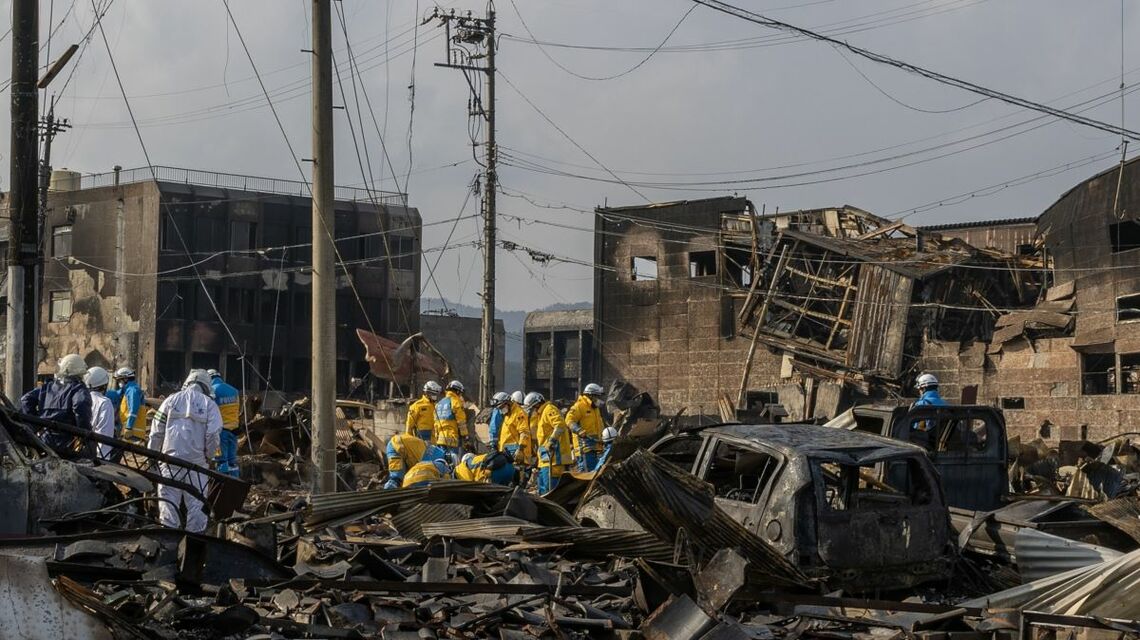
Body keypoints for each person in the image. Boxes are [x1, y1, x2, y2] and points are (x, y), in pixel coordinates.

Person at [147, 369, 222, 533]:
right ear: (206, 387)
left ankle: (168, 542)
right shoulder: (210, 405)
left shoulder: (170, 401)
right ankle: (193, 545)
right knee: (197, 507)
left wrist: (152, 454)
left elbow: (156, 432)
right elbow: (213, 436)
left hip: (169, 462)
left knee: (167, 505)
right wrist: (208, 457)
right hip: (197, 466)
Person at [20, 354, 94, 456]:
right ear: (80, 373)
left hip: (43, 439)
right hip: (66, 441)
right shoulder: (78, 389)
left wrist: (36, 423)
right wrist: (84, 431)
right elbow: (80, 404)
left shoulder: (47, 387)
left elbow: (25, 399)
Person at [525, 392, 573, 495]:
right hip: (545, 460)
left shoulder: (549, 410)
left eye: (533, 407)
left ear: (537, 404)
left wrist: (552, 441)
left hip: (554, 460)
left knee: (551, 491)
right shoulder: (541, 414)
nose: (533, 410)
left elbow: (560, 425)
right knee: (543, 490)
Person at [566, 383, 607, 473]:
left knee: (594, 473)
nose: (600, 400)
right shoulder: (579, 406)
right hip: (584, 447)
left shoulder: (595, 409)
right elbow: (569, 420)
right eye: (598, 397)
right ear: (591, 395)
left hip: (595, 447)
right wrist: (578, 430)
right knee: (587, 473)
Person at [208, 370, 241, 478]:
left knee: (221, 461)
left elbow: (210, 411)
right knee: (232, 462)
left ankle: (221, 486)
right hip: (234, 431)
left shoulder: (213, 391)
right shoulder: (234, 390)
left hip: (221, 432)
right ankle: (235, 484)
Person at [85, 367, 116, 460]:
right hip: (96, 453)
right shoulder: (104, 402)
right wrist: (103, 460)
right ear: (104, 385)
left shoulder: (80, 399)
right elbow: (104, 434)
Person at [433, 380, 468, 457]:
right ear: (457, 391)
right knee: (453, 462)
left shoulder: (439, 403)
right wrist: (465, 435)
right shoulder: (456, 402)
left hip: (440, 439)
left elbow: (435, 423)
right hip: (452, 438)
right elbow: (461, 421)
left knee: (442, 461)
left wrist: (436, 437)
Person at [114, 367, 147, 443]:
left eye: (119, 380)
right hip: (131, 432)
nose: (119, 382)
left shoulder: (132, 390)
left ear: (125, 379)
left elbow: (133, 410)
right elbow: (117, 394)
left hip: (134, 433)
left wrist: (129, 427)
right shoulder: (128, 390)